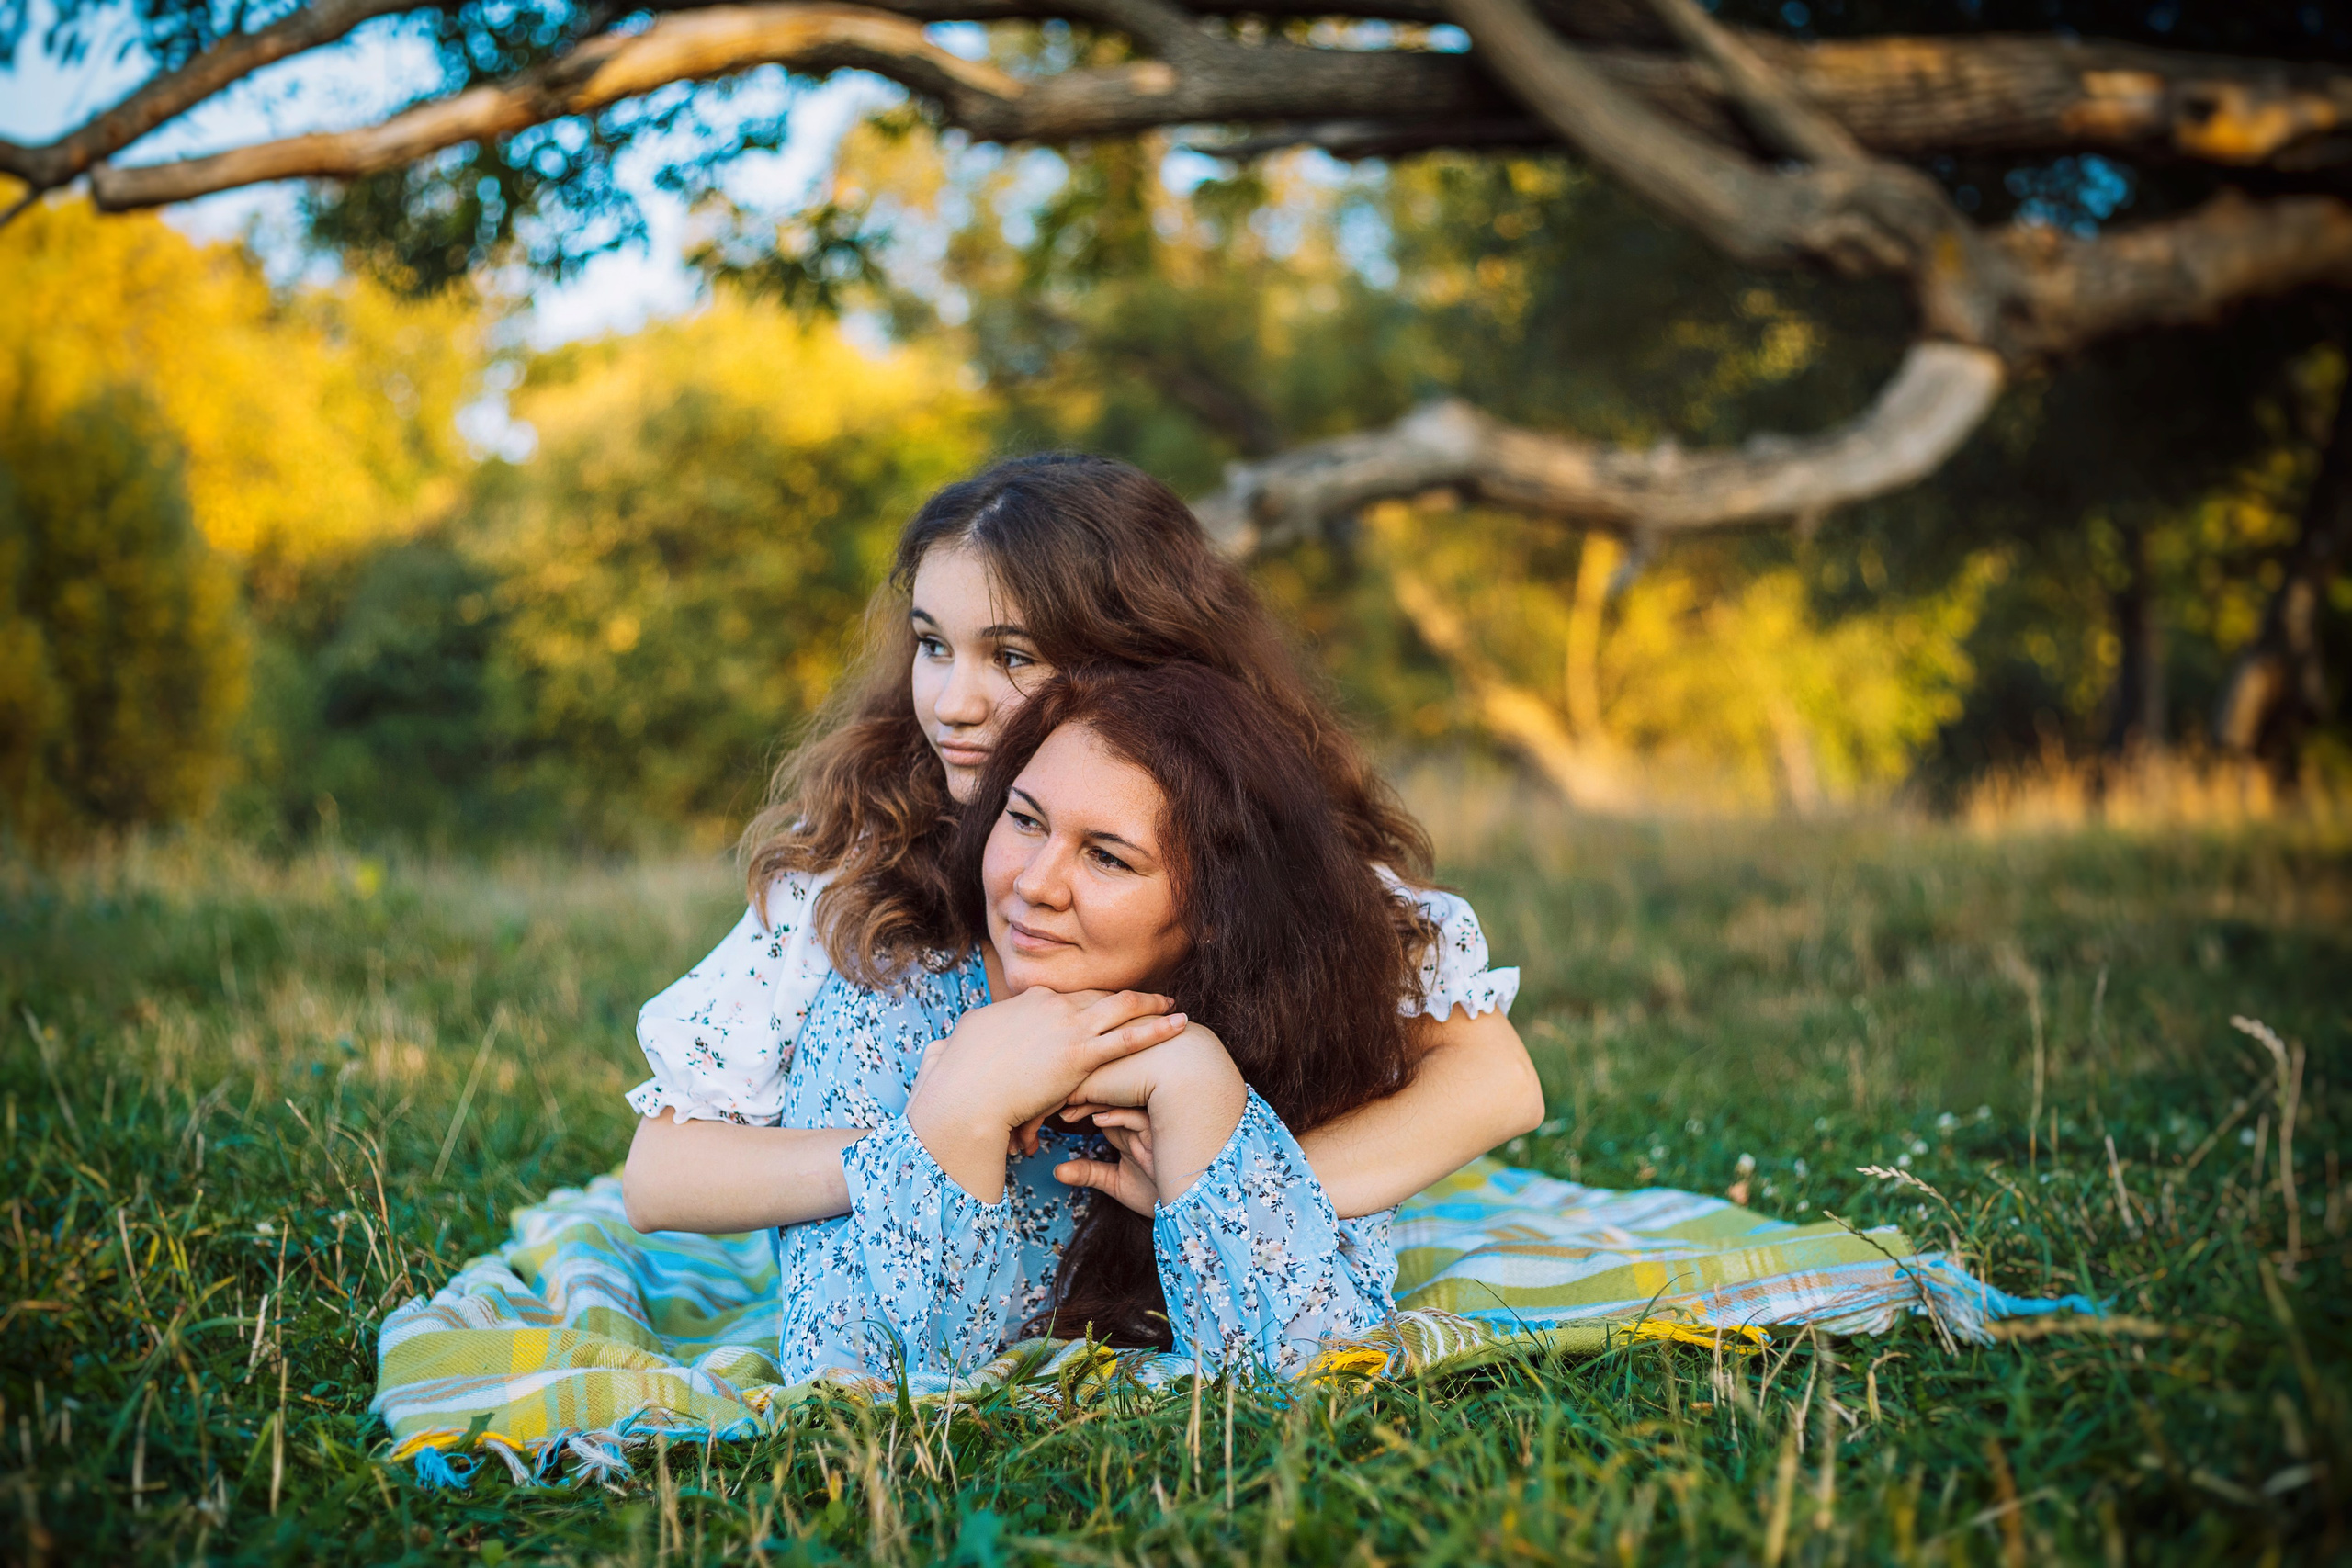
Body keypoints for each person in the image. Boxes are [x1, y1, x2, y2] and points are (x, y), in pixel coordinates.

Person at [621, 453, 1542, 1239]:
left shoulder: (1254, 836)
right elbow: (661, 1173)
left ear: (1137, 663)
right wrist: (943, 1134)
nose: (951, 702)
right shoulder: (851, 858)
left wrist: (1220, 1195)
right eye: (933, 646)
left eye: (1012, 657)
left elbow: (1493, 1083)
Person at [771, 662, 1415, 1380]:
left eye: (1107, 856)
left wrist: (1197, 1086)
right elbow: (845, 1385)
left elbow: (1324, 1367)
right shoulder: (890, 996)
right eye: (1024, 819)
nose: (1034, 884)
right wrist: (961, 1110)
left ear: (1215, 911)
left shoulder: (1298, 1032)